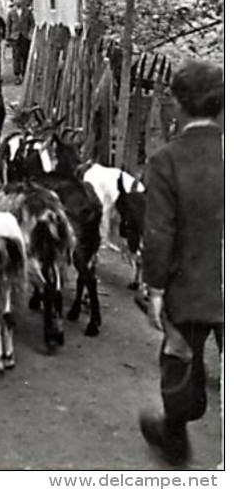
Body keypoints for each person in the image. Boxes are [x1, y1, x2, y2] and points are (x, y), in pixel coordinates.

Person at [138, 59, 224, 468]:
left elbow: (159, 235)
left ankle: (176, 440)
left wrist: (155, 290)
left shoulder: (167, 161)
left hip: (189, 290)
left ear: (178, 104)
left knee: (179, 359)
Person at [6, 0, 35, 85]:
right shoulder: (11, 12)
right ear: (13, 1)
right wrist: (8, 38)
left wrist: (30, 33)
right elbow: (8, 26)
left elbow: (32, 24)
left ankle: (25, 74)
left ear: (22, 0)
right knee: (16, 56)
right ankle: (17, 75)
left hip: (25, 36)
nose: (17, 1)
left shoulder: (28, 12)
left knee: (25, 55)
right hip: (15, 37)